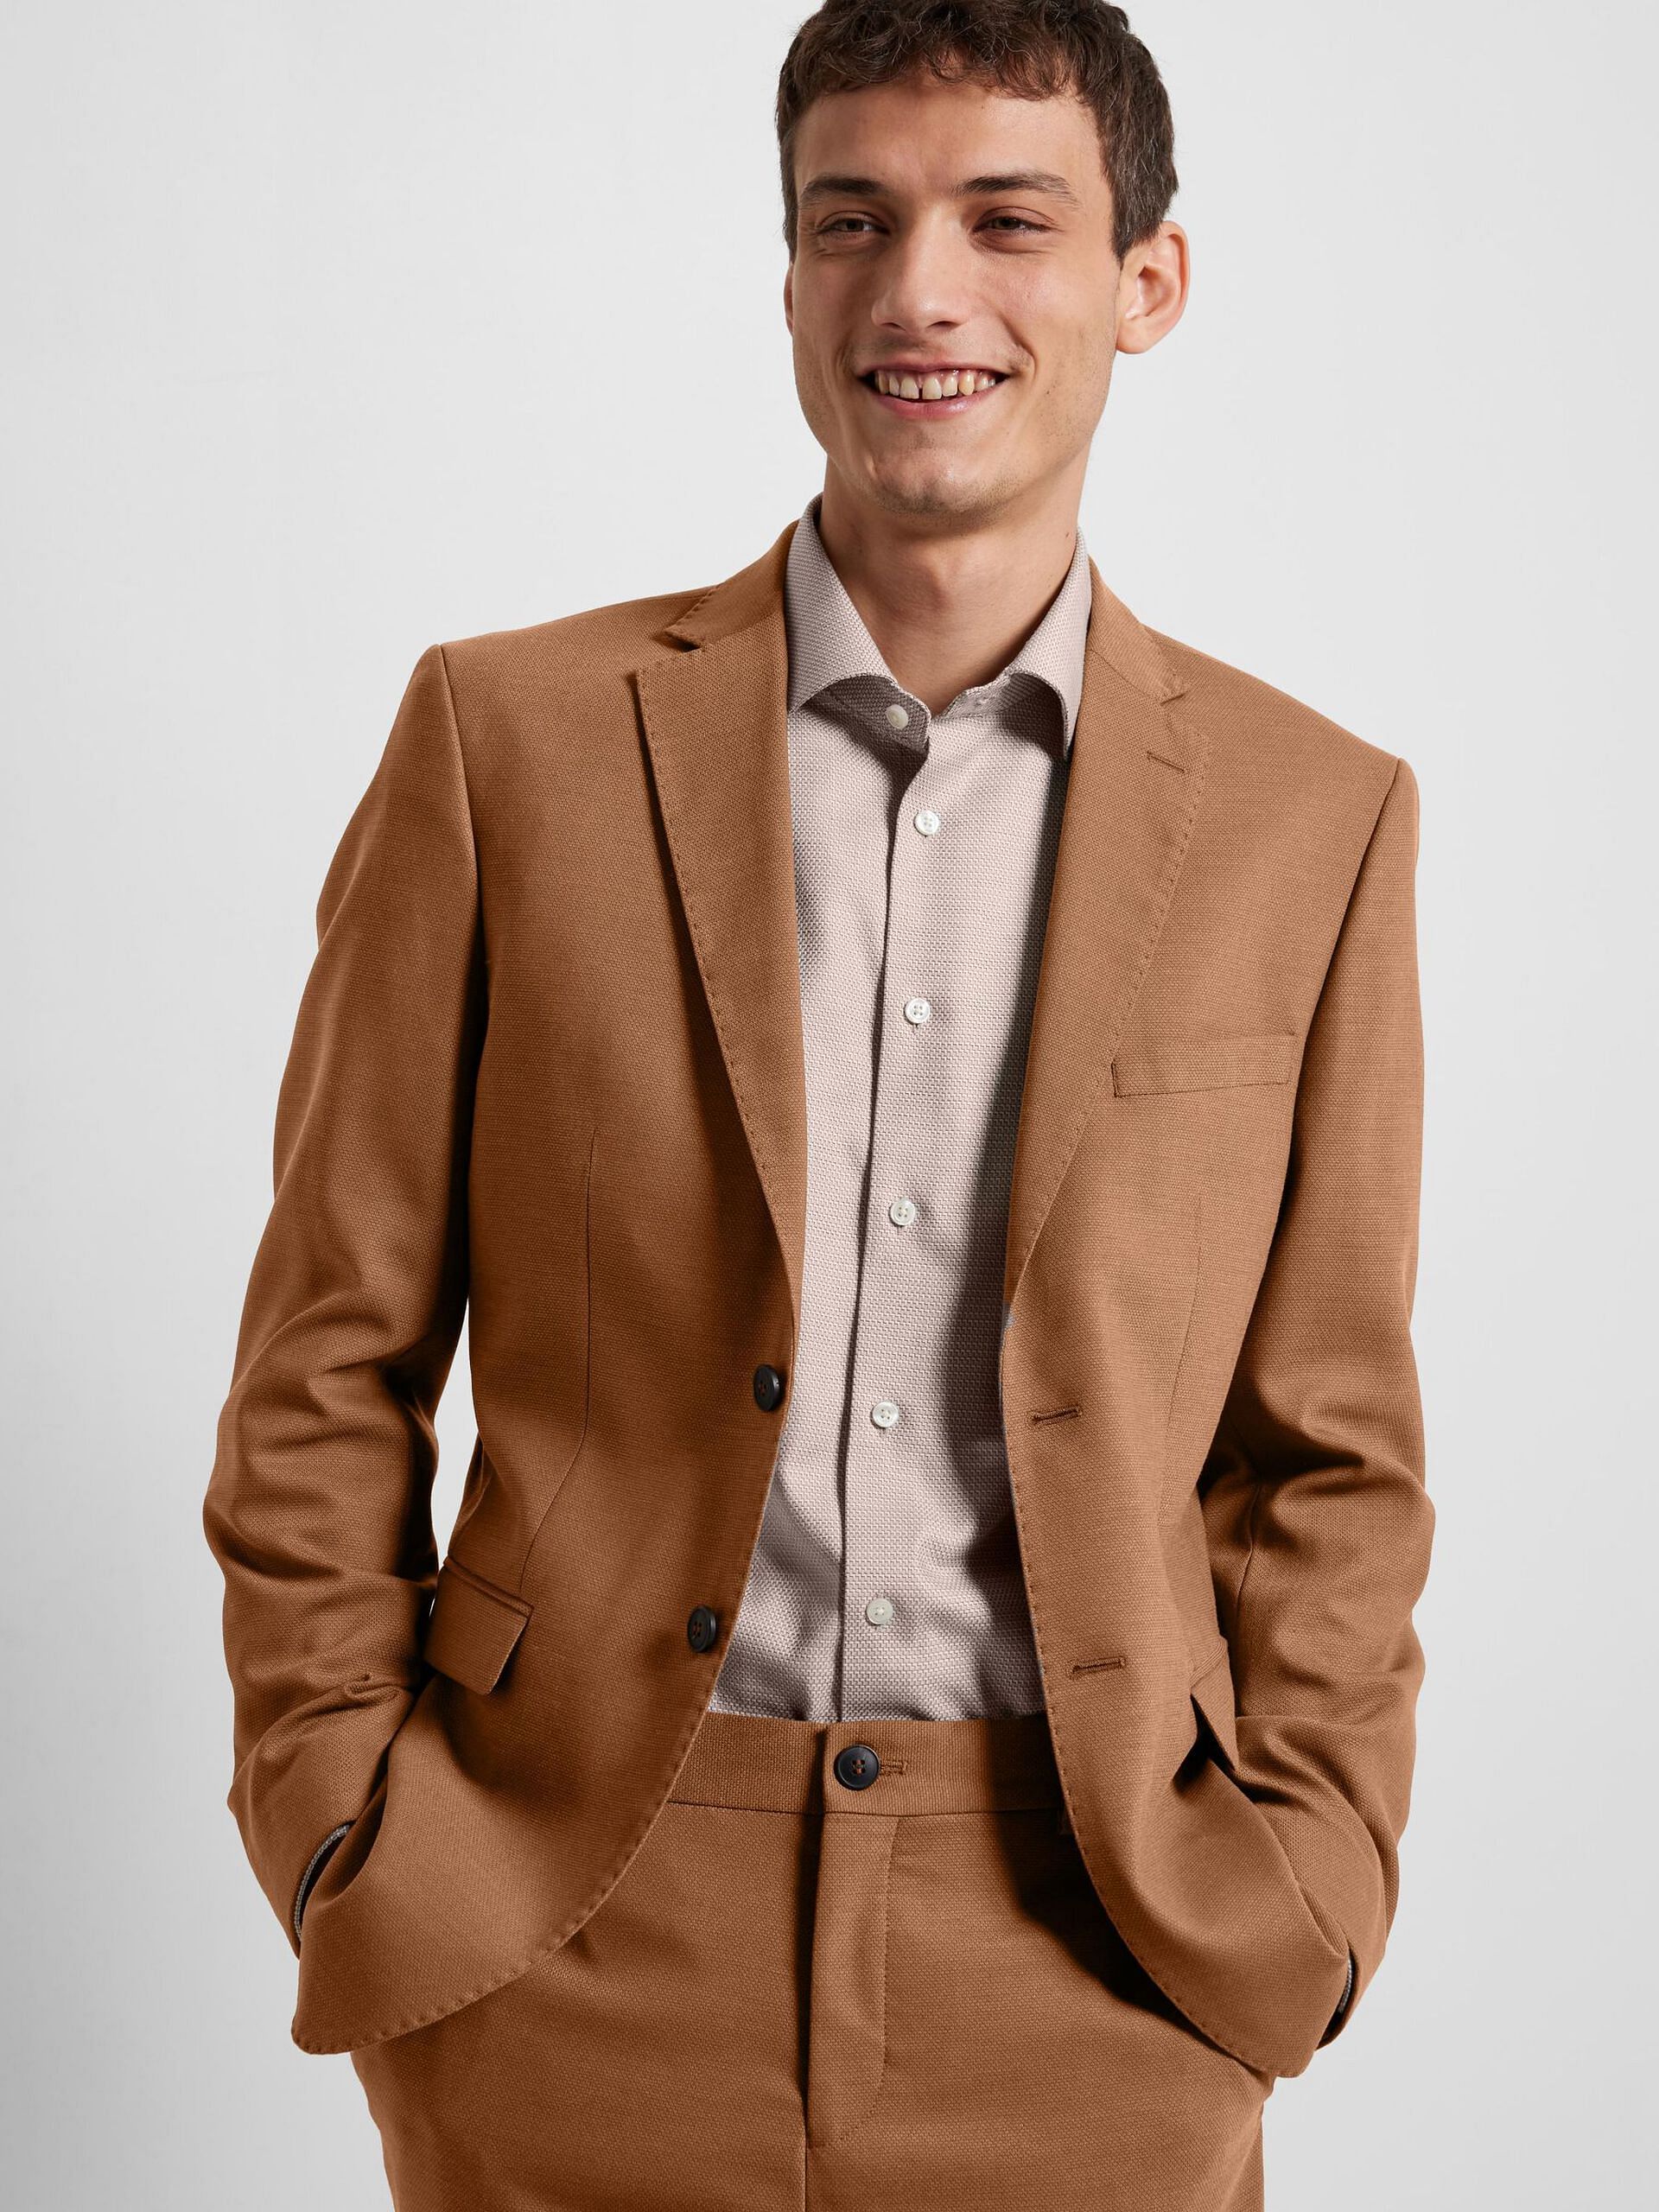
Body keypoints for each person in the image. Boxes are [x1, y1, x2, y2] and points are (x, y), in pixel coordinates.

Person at [203, 4, 1432, 2206]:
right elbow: (325, 1356)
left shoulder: (1309, 818)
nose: (918, 290)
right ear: (788, 274)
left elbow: (1329, 1446)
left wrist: (1305, 1887)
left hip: (1101, 1952)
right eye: (851, 221)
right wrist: (345, 1829)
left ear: (1148, 281)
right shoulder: (508, 742)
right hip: (566, 1921)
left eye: (1007, 221)